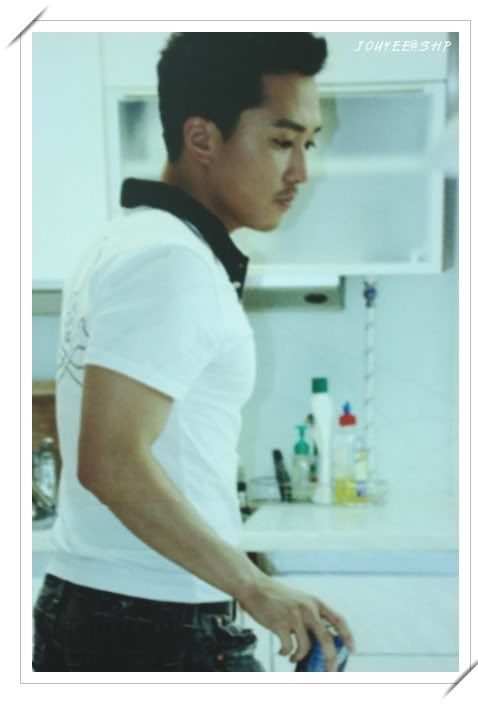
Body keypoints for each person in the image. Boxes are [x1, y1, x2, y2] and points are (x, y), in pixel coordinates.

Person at [33, 32, 355, 673]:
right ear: (202, 138)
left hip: (121, 612)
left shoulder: (132, 241)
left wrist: (241, 576)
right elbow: (111, 461)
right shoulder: (169, 259)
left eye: (309, 144)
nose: (301, 172)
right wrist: (253, 587)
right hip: (153, 627)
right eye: (282, 141)